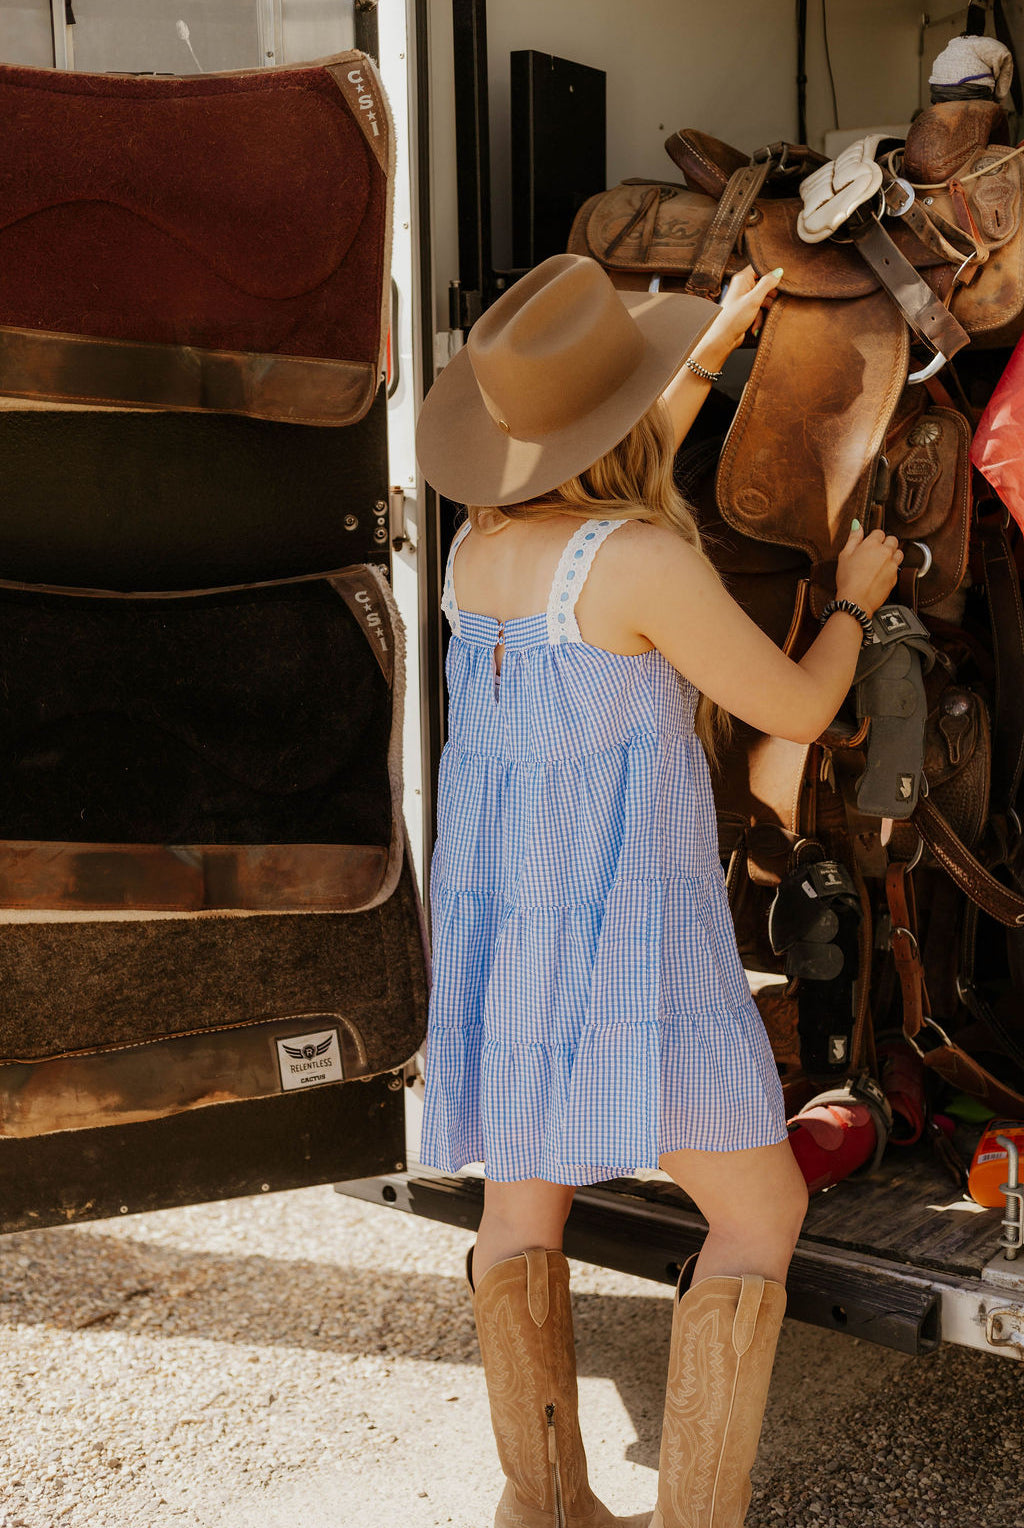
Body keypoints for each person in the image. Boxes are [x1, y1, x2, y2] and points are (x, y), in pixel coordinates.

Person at [414, 253, 902, 1528]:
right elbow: (796, 704)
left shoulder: (478, 549)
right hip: (631, 943)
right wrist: (851, 606)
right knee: (759, 1210)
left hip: (514, 939)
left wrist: (703, 356)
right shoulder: (639, 564)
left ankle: (546, 1507)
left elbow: (601, 489)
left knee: (521, 1207)